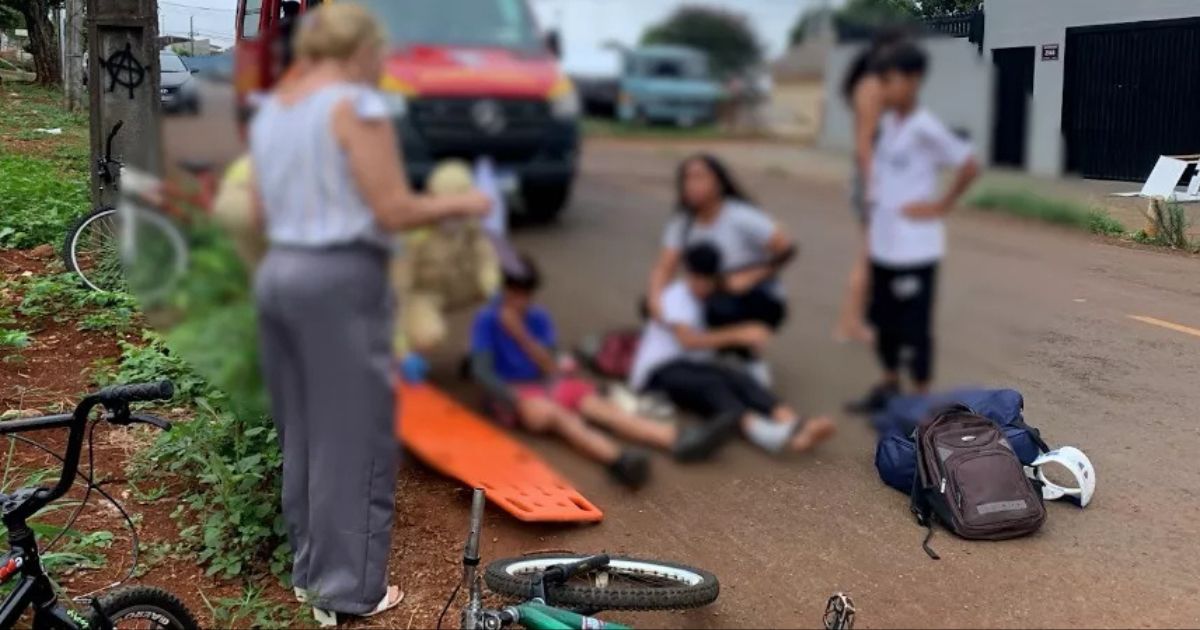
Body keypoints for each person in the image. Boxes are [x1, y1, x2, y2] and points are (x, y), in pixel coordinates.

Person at [249, 4, 490, 624]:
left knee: (303, 434)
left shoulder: (279, 109)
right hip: (338, 282)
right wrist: (464, 201)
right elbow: (392, 209)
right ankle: (351, 590)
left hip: (280, 274)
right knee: (353, 444)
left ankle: (310, 574)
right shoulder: (357, 106)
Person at [469, 256, 730, 485]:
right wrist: (515, 401)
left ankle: (677, 440)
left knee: (602, 409)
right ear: (503, 290)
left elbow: (549, 365)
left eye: (524, 295)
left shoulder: (537, 317)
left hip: (545, 382)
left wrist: (520, 334)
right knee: (562, 419)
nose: (519, 301)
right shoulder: (487, 319)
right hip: (513, 393)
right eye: (513, 294)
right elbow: (482, 372)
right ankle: (618, 460)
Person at [846, 42, 979, 414]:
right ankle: (889, 386)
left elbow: (968, 166)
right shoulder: (888, 124)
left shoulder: (925, 127)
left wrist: (940, 206)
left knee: (915, 327)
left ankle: (921, 403)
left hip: (916, 249)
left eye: (891, 81)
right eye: (881, 81)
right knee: (883, 321)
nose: (884, 89)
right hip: (884, 245)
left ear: (914, 80)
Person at [633, 243, 836, 456]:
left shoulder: (713, 297)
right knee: (713, 384)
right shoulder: (677, 297)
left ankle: (796, 424)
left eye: (707, 280)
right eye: (698, 279)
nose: (702, 286)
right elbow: (688, 341)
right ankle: (766, 433)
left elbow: (745, 282)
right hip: (659, 373)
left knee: (737, 377)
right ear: (689, 274)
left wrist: (751, 336)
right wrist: (739, 333)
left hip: (694, 366)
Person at [646, 154, 796, 384]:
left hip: (759, 298)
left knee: (720, 307)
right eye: (687, 179)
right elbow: (664, 268)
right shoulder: (682, 222)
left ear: (718, 183)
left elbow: (788, 249)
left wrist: (751, 276)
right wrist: (656, 303)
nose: (692, 185)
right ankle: (714, 350)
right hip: (709, 291)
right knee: (652, 304)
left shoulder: (741, 216)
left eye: (699, 178)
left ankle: (750, 359)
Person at [834, 29, 908, 344]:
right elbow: (864, 145)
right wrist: (872, 187)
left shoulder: (878, 87)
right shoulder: (871, 87)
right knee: (869, 255)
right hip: (873, 179)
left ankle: (866, 320)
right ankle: (849, 325)